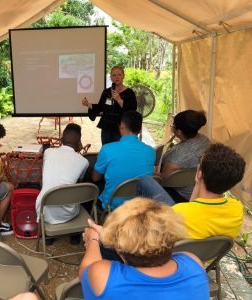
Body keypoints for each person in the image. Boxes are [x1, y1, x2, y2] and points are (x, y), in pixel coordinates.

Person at [79, 198, 209, 300]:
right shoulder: (194, 263)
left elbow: (87, 267)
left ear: (119, 249)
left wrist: (93, 238)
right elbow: (152, 245)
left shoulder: (101, 275)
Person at [137, 143, 245, 239]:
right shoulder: (237, 210)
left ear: (199, 174)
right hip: (202, 255)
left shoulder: (178, 213)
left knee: (144, 181)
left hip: (174, 252)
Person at [92, 111, 155, 209]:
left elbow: (95, 178)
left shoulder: (107, 149)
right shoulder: (151, 151)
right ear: (140, 129)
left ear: (121, 125)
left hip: (113, 205)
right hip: (141, 205)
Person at [160, 110, 210, 202]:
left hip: (181, 196)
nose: (172, 128)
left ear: (179, 132)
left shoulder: (177, 155)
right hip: (199, 192)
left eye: (173, 126)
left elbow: (163, 179)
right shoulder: (205, 141)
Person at [81, 66, 137, 145]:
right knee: (106, 150)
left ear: (123, 76)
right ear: (111, 77)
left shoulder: (130, 93)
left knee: (119, 151)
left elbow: (132, 112)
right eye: (114, 75)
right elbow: (101, 107)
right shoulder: (106, 92)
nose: (116, 77)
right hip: (106, 128)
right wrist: (88, 104)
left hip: (121, 129)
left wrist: (119, 100)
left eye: (119, 75)